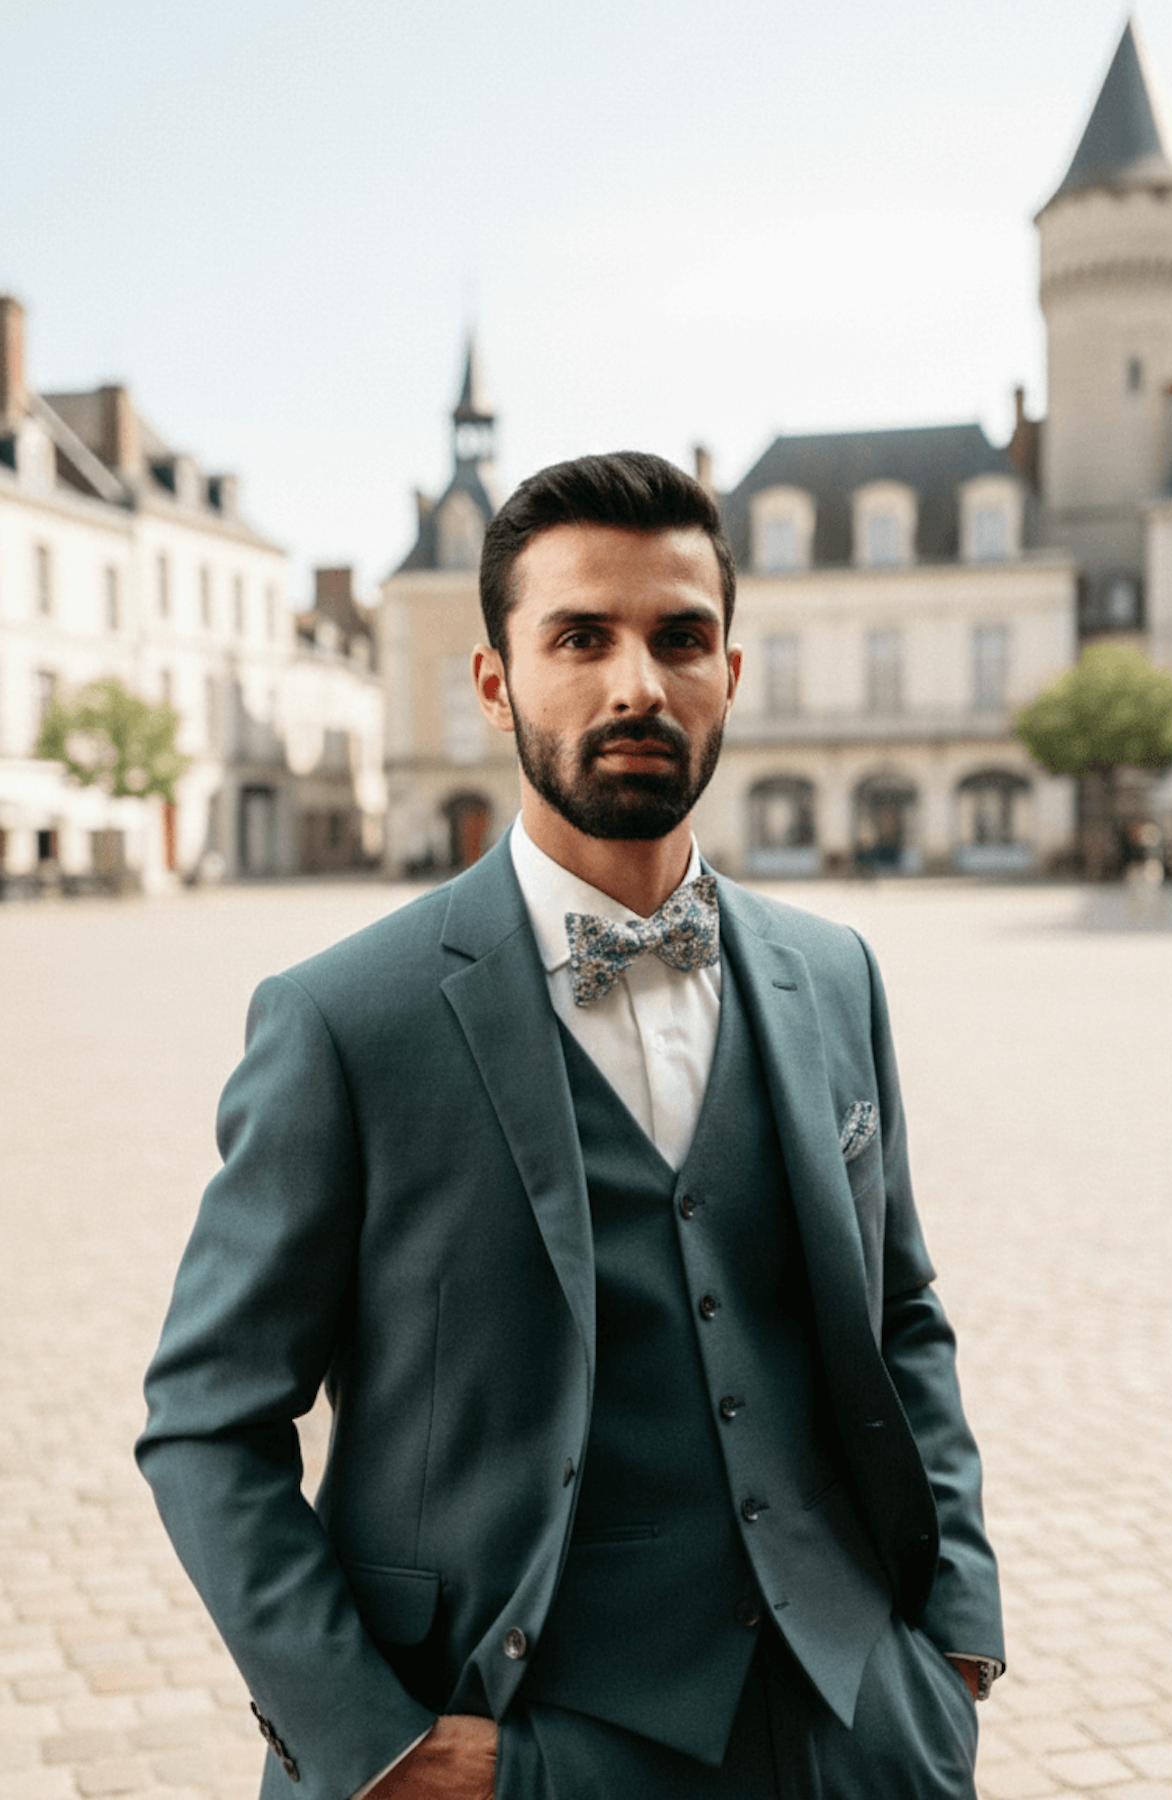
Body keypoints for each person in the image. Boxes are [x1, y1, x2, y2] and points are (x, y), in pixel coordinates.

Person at [138, 451, 1003, 1800]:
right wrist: (378, 1742)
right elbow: (205, 1420)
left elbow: (903, 1316)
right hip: (513, 1735)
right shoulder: (341, 1019)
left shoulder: (834, 975)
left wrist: (954, 1643)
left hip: (854, 1726)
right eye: (581, 637)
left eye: (680, 637)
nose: (637, 683)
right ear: (496, 681)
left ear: (731, 668)